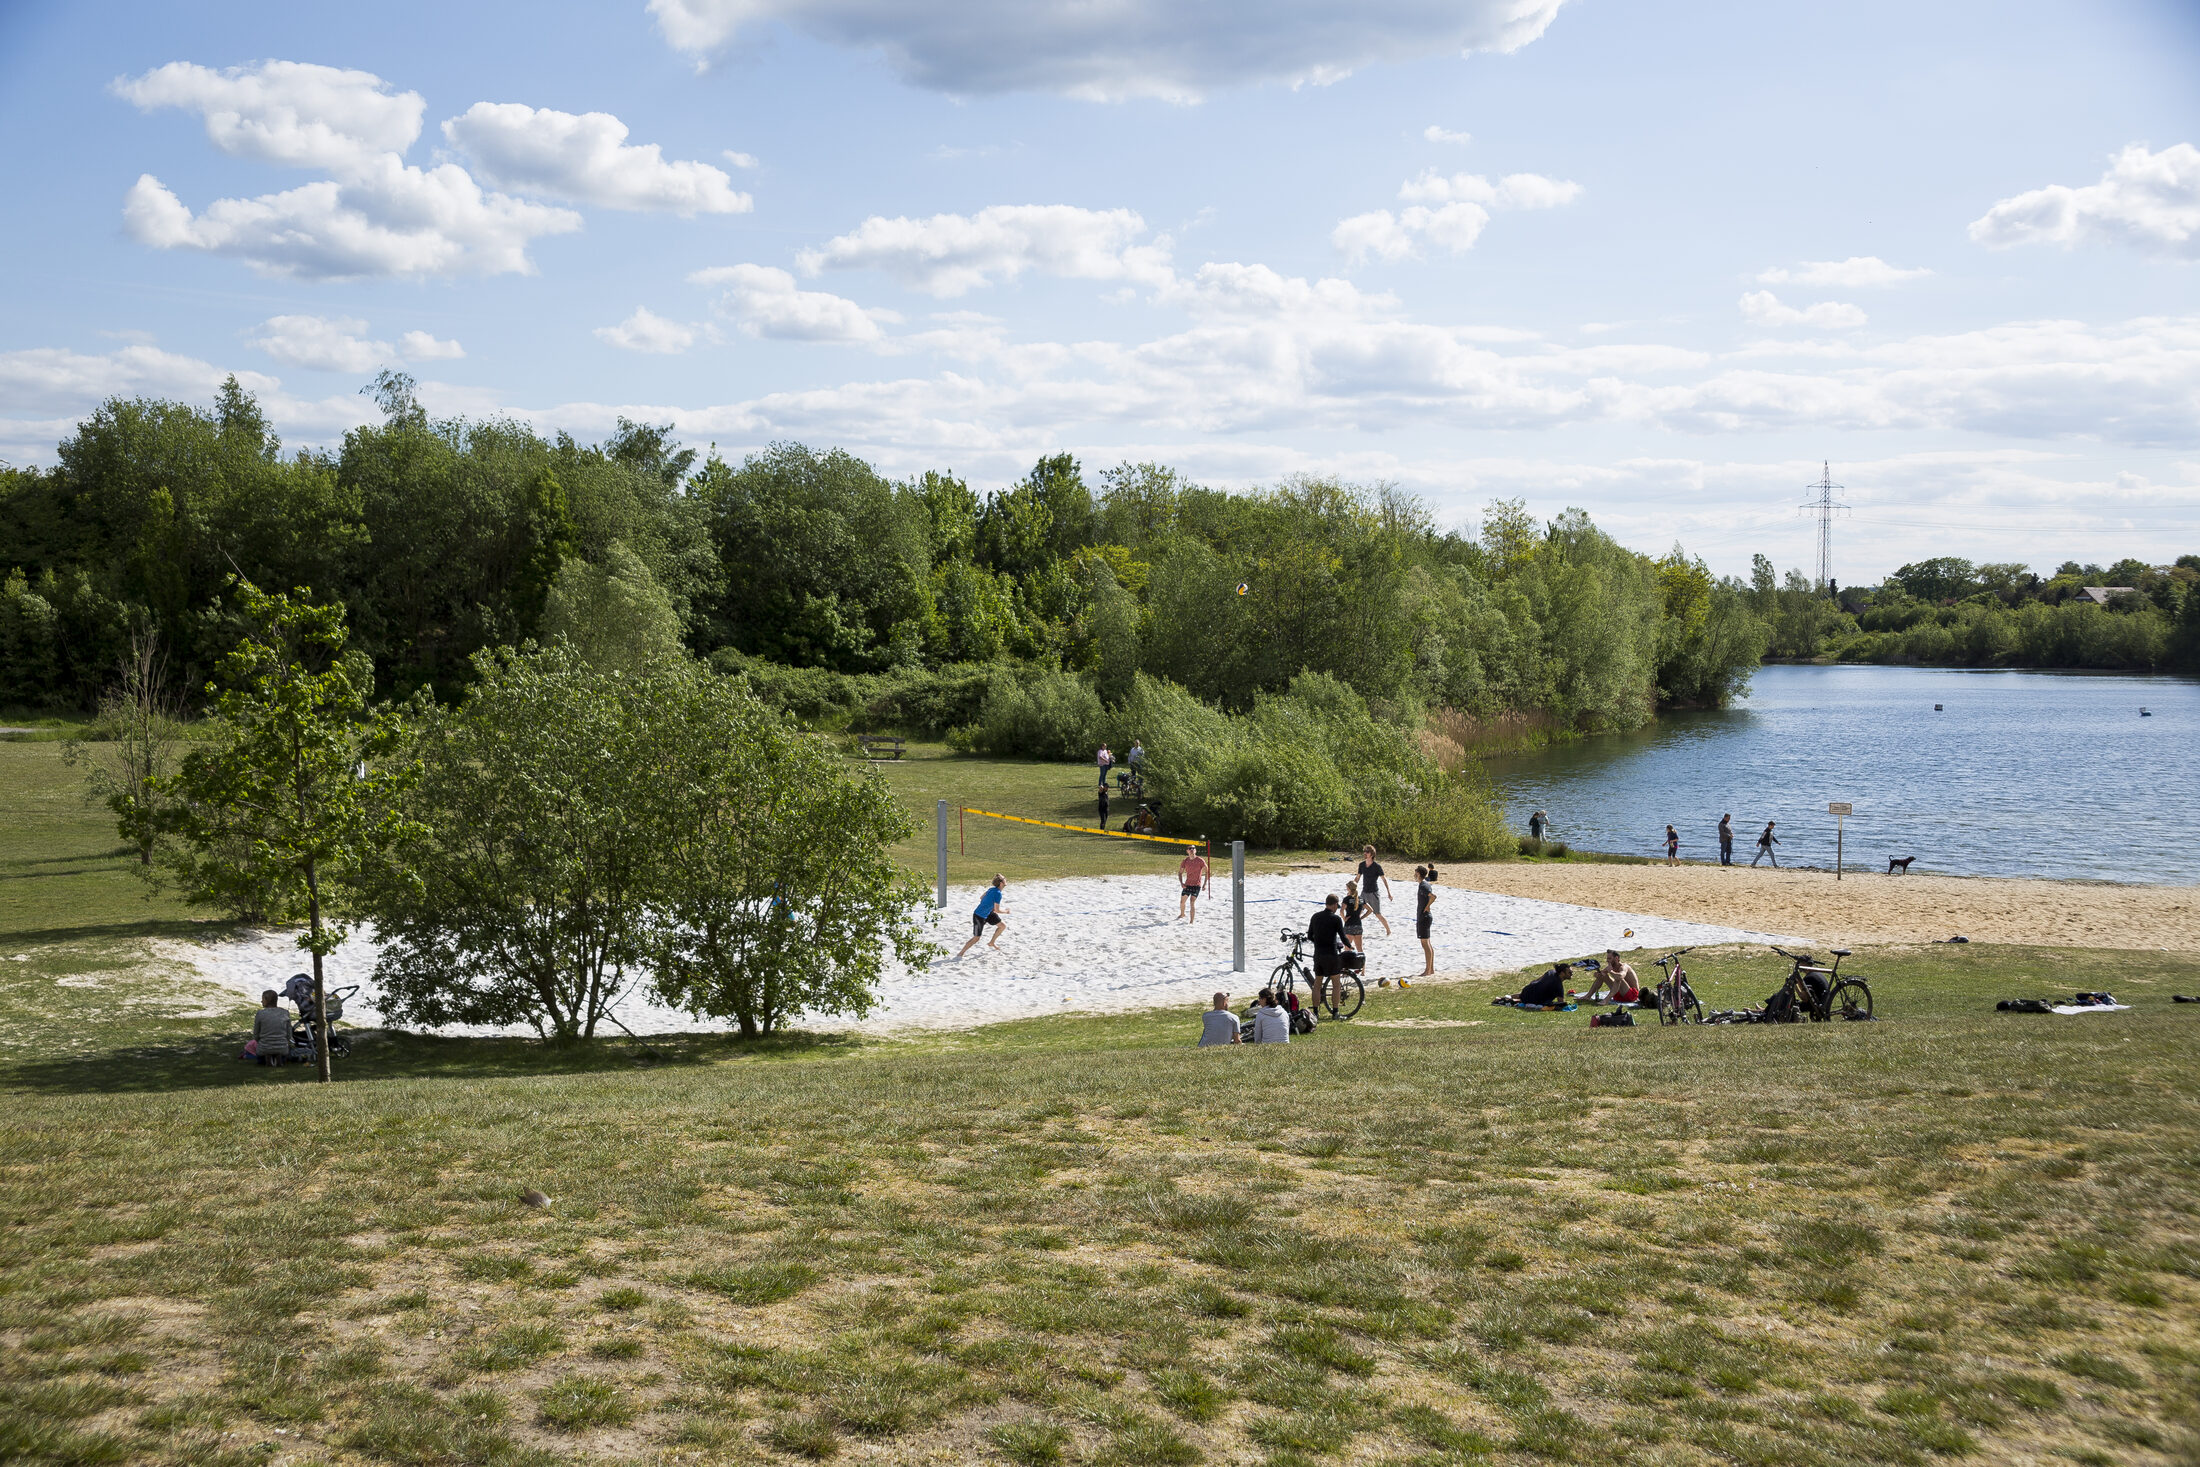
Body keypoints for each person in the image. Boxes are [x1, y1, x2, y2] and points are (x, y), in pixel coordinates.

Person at [1308, 893, 1348, 1016]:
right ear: (1335, 905)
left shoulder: (1315, 917)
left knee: (1317, 984)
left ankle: (1315, 1012)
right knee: (1336, 984)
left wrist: (1318, 942)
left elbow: (1310, 936)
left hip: (1319, 954)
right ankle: (1335, 1012)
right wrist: (1349, 946)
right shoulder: (1336, 919)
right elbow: (1342, 936)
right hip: (1331, 954)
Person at [956, 876, 1010, 956]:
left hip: (988, 913)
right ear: (1001, 883)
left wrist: (989, 907)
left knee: (1002, 926)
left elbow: (981, 898)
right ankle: (961, 953)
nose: (1006, 879)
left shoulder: (991, 889)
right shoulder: (998, 893)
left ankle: (991, 942)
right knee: (976, 938)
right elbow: (997, 910)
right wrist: (1006, 911)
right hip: (979, 916)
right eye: (1004, 878)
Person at [1355, 846, 1393, 937]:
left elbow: (1384, 880)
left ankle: (1388, 930)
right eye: (1364, 851)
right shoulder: (1361, 865)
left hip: (1374, 893)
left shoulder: (1377, 866)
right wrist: (1352, 887)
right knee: (1357, 911)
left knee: (1377, 914)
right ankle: (1355, 929)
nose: (1365, 853)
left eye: (1367, 852)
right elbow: (1357, 877)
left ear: (1372, 854)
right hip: (1364, 893)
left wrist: (1389, 893)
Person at [252, 989, 293, 1066]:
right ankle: (278, 1058)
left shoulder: (260, 1014)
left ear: (267, 1000)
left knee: (259, 1055)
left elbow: (256, 1034)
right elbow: (289, 1034)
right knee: (285, 1052)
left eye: (263, 999)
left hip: (264, 1046)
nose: (261, 1001)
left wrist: (259, 1040)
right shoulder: (285, 1013)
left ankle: (268, 1057)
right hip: (282, 1046)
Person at [1413, 865, 1440, 976]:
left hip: (1424, 917)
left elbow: (1433, 896)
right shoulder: (1422, 885)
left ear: (1418, 873)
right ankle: (1431, 969)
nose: (1414, 875)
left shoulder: (1423, 885)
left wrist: (1427, 906)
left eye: (1415, 872)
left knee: (1425, 944)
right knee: (1427, 943)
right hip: (1424, 917)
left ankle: (1427, 970)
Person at [1177, 845, 1210, 923]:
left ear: (1195, 850)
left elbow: (1207, 872)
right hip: (1187, 884)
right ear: (1187, 851)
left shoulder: (1200, 860)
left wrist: (1205, 884)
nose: (1191, 849)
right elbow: (1180, 873)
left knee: (1192, 902)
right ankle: (1182, 914)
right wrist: (1181, 883)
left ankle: (1191, 921)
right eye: (1190, 848)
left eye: (1193, 848)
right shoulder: (1185, 861)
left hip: (1196, 885)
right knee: (1182, 902)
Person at [1341, 878, 1366, 955]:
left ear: (1348, 888)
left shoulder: (1347, 899)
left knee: (1347, 948)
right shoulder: (1361, 899)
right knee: (1360, 948)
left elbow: (1341, 911)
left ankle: (1346, 966)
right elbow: (1370, 910)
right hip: (1358, 924)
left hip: (1349, 924)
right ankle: (1362, 967)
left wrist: (1344, 918)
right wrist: (1361, 917)